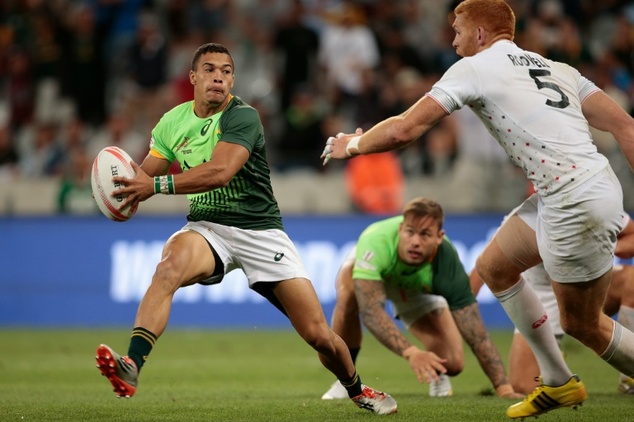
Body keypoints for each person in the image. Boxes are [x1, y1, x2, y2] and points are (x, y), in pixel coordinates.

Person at [320, 0, 634, 419]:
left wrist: (353, 145)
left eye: (458, 30)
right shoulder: (559, 69)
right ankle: (558, 382)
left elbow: (404, 128)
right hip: (588, 187)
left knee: (583, 324)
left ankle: (563, 381)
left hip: (571, 200)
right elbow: (625, 126)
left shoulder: (476, 67)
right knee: (494, 267)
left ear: (481, 35)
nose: (452, 41)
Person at [94, 42, 397, 416]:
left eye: (225, 70)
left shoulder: (243, 117)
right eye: (209, 69)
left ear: (232, 79)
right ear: (193, 77)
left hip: (261, 232)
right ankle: (132, 366)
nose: (218, 76)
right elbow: (144, 178)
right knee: (167, 268)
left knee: (318, 334)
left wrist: (153, 187)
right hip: (208, 228)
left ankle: (356, 389)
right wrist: (122, 193)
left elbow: (220, 172)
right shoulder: (171, 123)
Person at [320, 197, 521, 400]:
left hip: (416, 290)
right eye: (410, 232)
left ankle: (436, 373)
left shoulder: (447, 263)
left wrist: (503, 388)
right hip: (376, 277)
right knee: (347, 295)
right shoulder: (376, 241)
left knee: (453, 363)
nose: (415, 242)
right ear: (400, 230)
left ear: (439, 237)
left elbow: (476, 334)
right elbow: (371, 313)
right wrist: (412, 352)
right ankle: (345, 379)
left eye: (425, 234)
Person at [470, 198, 634, 395]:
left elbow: (631, 235)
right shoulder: (524, 217)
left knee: (630, 281)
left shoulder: (588, 201)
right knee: (523, 386)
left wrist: (601, 246)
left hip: (586, 287)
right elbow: (481, 272)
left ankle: (629, 380)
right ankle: (554, 361)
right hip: (541, 299)